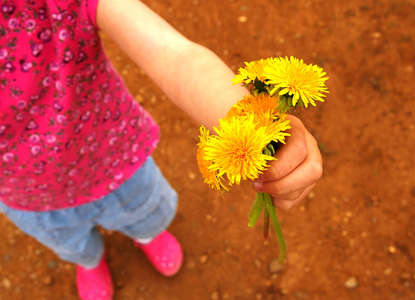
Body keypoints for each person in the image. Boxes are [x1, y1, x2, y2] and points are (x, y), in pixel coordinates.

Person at [0, 0, 323, 299]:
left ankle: (146, 236)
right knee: (71, 244)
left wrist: (252, 126)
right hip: (30, 199)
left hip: (119, 162)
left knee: (145, 215)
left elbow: (174, 56)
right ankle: (89, 261)